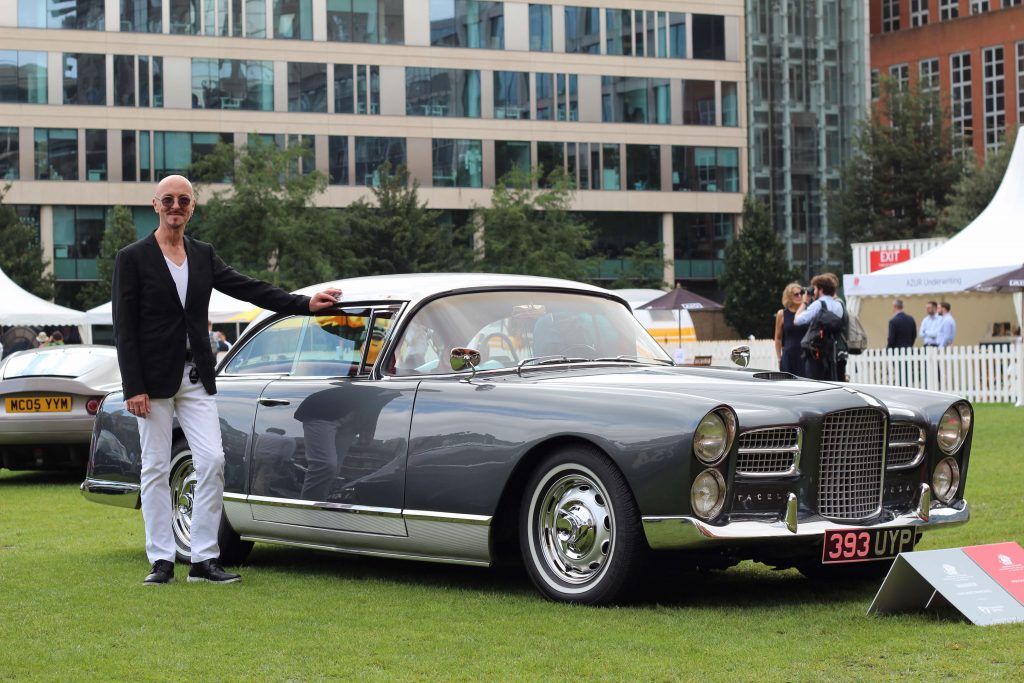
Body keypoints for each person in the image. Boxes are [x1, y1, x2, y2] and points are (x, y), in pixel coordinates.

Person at [112, 174, 341, 587]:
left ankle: (203, 560)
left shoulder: (203, 254)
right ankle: (161, 560)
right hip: (152, 380)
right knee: (156, 466)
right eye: (168, 200)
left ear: (193, 207)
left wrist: (304, 304)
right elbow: (124, 326)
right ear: (155, 205)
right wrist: (134, 387)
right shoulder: (133, 257)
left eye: (183, 200)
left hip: (197, 374)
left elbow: (248, 288)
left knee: (213, 462)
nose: (176, 206)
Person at [795, 273, 845, 381]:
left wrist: (805, 302)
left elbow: (797, 320)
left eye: (815, 288)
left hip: (815, 352)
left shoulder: (818, 304)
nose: (814, 291)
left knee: (814, 383)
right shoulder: (839, 305)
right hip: (831, 352)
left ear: (821, 289)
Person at [774, 282, 809, 376]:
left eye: (801, 293)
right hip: (789, 355)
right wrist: (779, 358)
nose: (799, 296)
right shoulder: (782, 314)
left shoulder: (808, 312)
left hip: (806, 354)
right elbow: (778, 338)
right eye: (796, 294)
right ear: (789, 297)